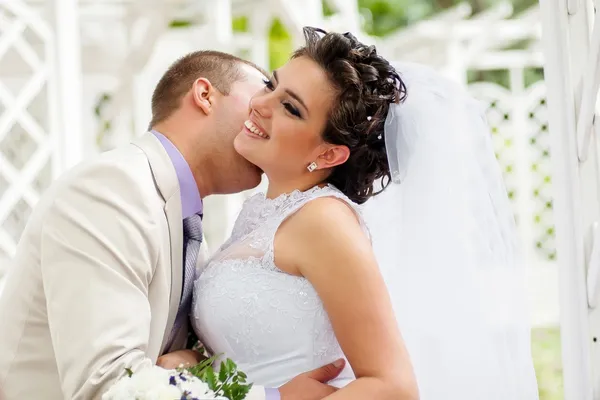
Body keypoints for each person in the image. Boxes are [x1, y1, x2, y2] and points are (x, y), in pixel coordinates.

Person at [163, 27, 540, 399]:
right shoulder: (263, 211)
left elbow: (392, 386)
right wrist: (191, 366)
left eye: (290, 108)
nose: (261, 105)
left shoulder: (323, 220)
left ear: (328, 154)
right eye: (270, 86)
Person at [0, 50, 346, 400]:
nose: (264, 110)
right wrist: (273, 397)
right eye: (263, 91)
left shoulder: (186, 224)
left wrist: (190, 363)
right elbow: (109, 383)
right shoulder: (113, 189)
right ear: (205, 95)